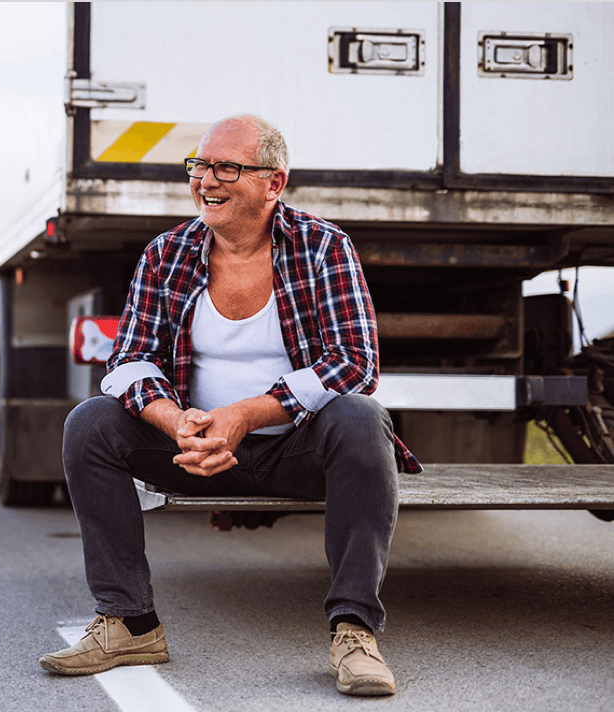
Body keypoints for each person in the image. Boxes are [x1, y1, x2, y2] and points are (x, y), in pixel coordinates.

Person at [39, 114, 421, 696]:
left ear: (274, 183)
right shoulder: (167, 253)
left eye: (227, 168)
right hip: (196, 451)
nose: (207, 181)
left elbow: (355, 362)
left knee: (362, 417)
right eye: (200, 165)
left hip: (295, 451)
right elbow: (128, 362)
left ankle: (354, 631)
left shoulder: (323, 247)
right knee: (90, 423)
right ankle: (130, 623)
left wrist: (244, 415)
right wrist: (178, 422)